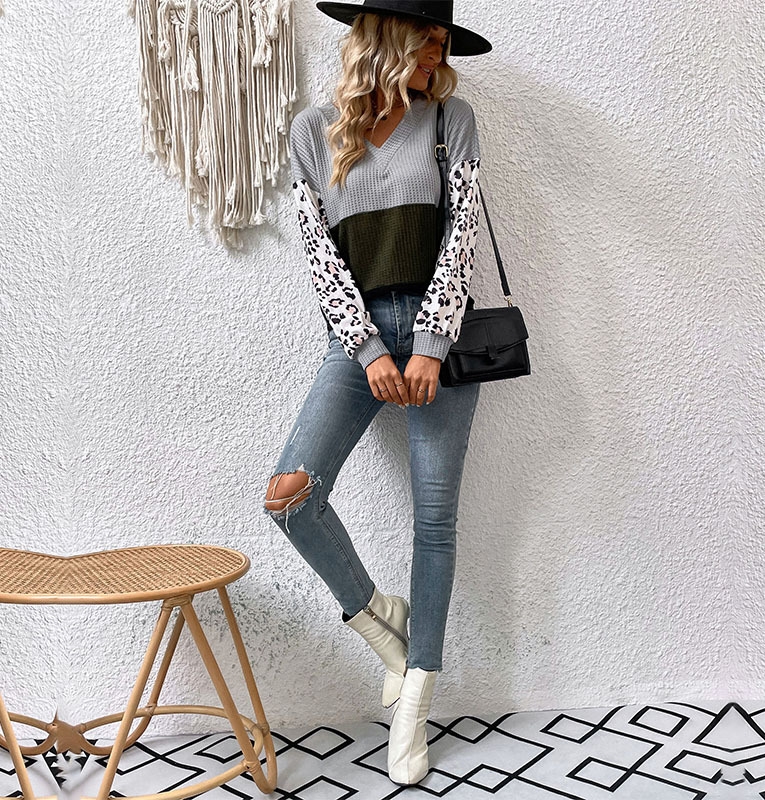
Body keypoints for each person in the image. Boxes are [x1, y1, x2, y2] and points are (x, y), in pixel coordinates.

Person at [264, 0, 491, 786]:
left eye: (443, 45)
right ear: (388, 40)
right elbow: (320, 256)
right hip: (353, 338)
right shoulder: (312, 130)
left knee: (435, 519)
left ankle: (415, 698)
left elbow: (461, 236)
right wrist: (367, 351)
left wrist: (430, 344)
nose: (438, 58)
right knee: (290, 497)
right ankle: (379, 622)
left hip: (441, 337)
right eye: (428, 42)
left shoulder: (451, 121)